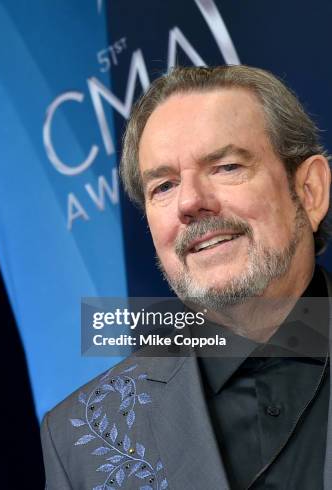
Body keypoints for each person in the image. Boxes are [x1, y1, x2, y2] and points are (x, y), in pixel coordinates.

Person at [40, 65, 332, 490]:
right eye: (163, 186)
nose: (191, 202)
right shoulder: (78, 440)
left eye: (227, 166)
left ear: (309, 191)